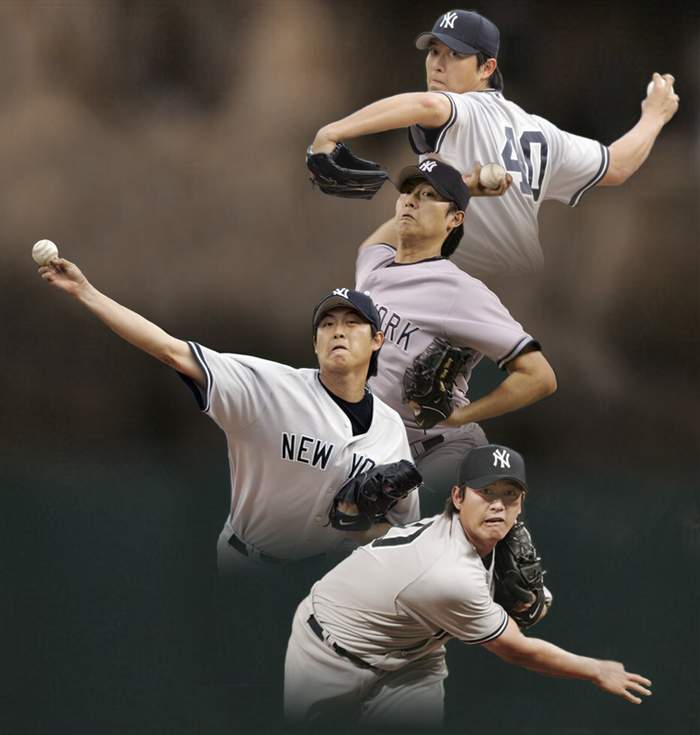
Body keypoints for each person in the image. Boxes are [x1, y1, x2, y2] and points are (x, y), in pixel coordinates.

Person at [37, 261, 420, 566]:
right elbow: (170, 350)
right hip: (248, 566)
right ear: (315, 344)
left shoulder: (389, 430)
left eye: (352, 323)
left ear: (377, 340)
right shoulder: (267, 388)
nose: (338, 331)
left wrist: (362, 526)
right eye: (327, 324)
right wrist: (85, 292)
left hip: (323, 580)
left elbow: (402, 532)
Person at [284, 443, 653, 729]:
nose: (498, 505)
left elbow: (531, 607)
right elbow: (517, 650)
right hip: (330, 651)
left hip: (414, 656)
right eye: (486, 492)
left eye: (509, 494)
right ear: (458, 497)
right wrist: (595, 669)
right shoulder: (448, 572)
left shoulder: (495, 540)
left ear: (521, 503)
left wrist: (528, 604)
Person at [310, 9, 679, 276]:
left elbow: (427, 106)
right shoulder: (542, 132)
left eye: (455, 54)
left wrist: (332, 132)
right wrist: (654, 116)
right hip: (521, 293)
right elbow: (617, 166)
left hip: (470, 292)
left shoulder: (462, 108)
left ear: (487, 68)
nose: (438, 63)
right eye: (434, 51)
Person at [355, 157, 557, 515]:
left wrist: (463, 416)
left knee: (397, 525)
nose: (411, 201)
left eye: (429, 196)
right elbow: (378, 240)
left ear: (455, 219)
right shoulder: (375, 268)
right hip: (381, 453)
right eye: (408, 193)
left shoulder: (460, 292)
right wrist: (468, 187)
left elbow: (540, 376)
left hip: (440, 451)